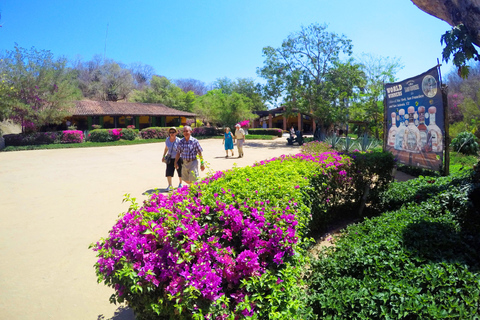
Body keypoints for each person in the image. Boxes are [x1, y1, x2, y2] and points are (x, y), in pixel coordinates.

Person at [162, 127, 183, 191]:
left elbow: (181, 150)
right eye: (170, 132)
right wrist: (163, 156)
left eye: (173, 132)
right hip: (170, 158)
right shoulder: (167, 139)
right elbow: (166, 148)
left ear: (176, 133)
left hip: (178, 157)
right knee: (168, 171)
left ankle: (180, 183)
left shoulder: (179, 140)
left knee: (179, 171)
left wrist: (176, 160)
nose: (171, 134)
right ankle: (170, 185)